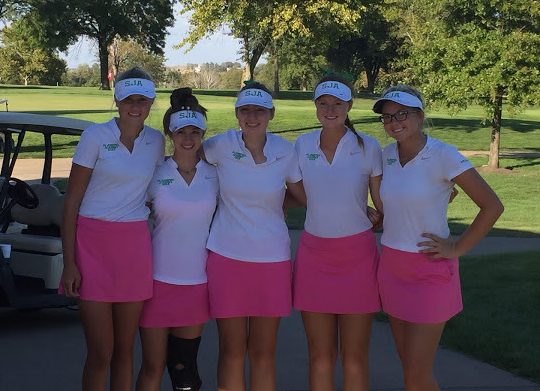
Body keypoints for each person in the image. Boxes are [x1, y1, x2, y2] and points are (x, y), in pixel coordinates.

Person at [373, 84, 504, 391]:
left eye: (401, 114)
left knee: (417, 374)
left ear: (420, 116)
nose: (394, 123)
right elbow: (409, 199)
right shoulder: (386, 156)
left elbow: (492, 206)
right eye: (387, 117)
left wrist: (457, 247)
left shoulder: (444, 155)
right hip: (392, 268)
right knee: (409, 368)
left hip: (429, 269)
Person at [61, 67, 164, 391]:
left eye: (143, 100)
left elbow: (153, 192)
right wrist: (69, 263)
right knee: (100, 352)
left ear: (150, 103)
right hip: (91, 247)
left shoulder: (155, 141)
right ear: (117, 101)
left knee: (124, 351)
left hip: (133, 247)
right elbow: (71, 202)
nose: (136, 107)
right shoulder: (95, 137)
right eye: (129, 100)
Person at [203, 81, 305, 391]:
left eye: (259, 110)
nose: (252, 117)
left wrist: (275, 206)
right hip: (226, 256)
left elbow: (302, 196)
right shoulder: (218, 146)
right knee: (232, 351)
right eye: (245, 110)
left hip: (272, 259)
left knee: (263, 353)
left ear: (271, 114)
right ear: (236, 113)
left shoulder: (286, 151)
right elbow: (183, 163)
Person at [292, 75, 383, 391]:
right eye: (324, 104)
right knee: (320, 356)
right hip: (314, 256)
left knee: (355, 358)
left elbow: (383, 203)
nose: (330, 110)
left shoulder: (368, 147)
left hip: (358, 256)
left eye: (338, 104)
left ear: (349, 106)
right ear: (316, 106)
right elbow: (297, 192)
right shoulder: (302, 145)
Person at [135, 87, 218, 391]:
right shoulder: (155, 172)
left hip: (196, 283)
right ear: (170, 134)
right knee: (153, 367)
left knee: (185, 371)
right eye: (181, 131)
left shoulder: (215, 174)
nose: (188, 138)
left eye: (195, 131)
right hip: (156, 282)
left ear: (203, 133)